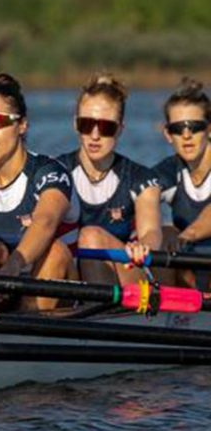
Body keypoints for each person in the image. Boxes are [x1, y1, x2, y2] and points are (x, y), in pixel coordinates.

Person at [0, 74, 79, 310]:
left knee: (55, 251)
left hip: (56, 287)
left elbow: (45, 221)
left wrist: (11, 268)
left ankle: (30, 323)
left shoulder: (49, 171)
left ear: (22, 125)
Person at [57, 74, 161, 285]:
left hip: (127, 274)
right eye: (87, 124)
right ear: (75, 125)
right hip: (72, 275)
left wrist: (144, 246)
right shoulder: (54, 172)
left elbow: (151, 231)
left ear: (120, 129)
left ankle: (93, 310)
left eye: (106, 128)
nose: (95, 135)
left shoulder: (140, 177)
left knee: (90, 237)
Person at [153, 78, 211, 288]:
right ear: (168, 134)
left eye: (195, 127)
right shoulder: (167, 171)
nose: (186, 135)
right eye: (178, 128)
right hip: (192, 273)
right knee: (163, 234)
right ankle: (168, 310)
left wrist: (187, 235)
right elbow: (135, 199)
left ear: (209, 129)